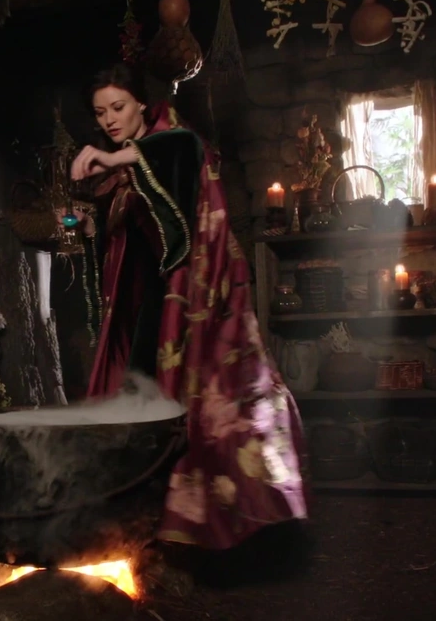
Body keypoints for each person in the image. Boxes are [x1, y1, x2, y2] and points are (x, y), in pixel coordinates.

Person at [63, 64, 308, 550]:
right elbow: (130, 246)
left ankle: (216, 526)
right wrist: (92, 230)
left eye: (118, 107)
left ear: (141, 103)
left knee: (206, 410)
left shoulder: (171, 141)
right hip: (148, 307)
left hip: (191, 301)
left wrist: (114, 159)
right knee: (138, 408)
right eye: (100, 113)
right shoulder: (128, 167)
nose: (110, 120)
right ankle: (144, 523)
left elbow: (184, 150)